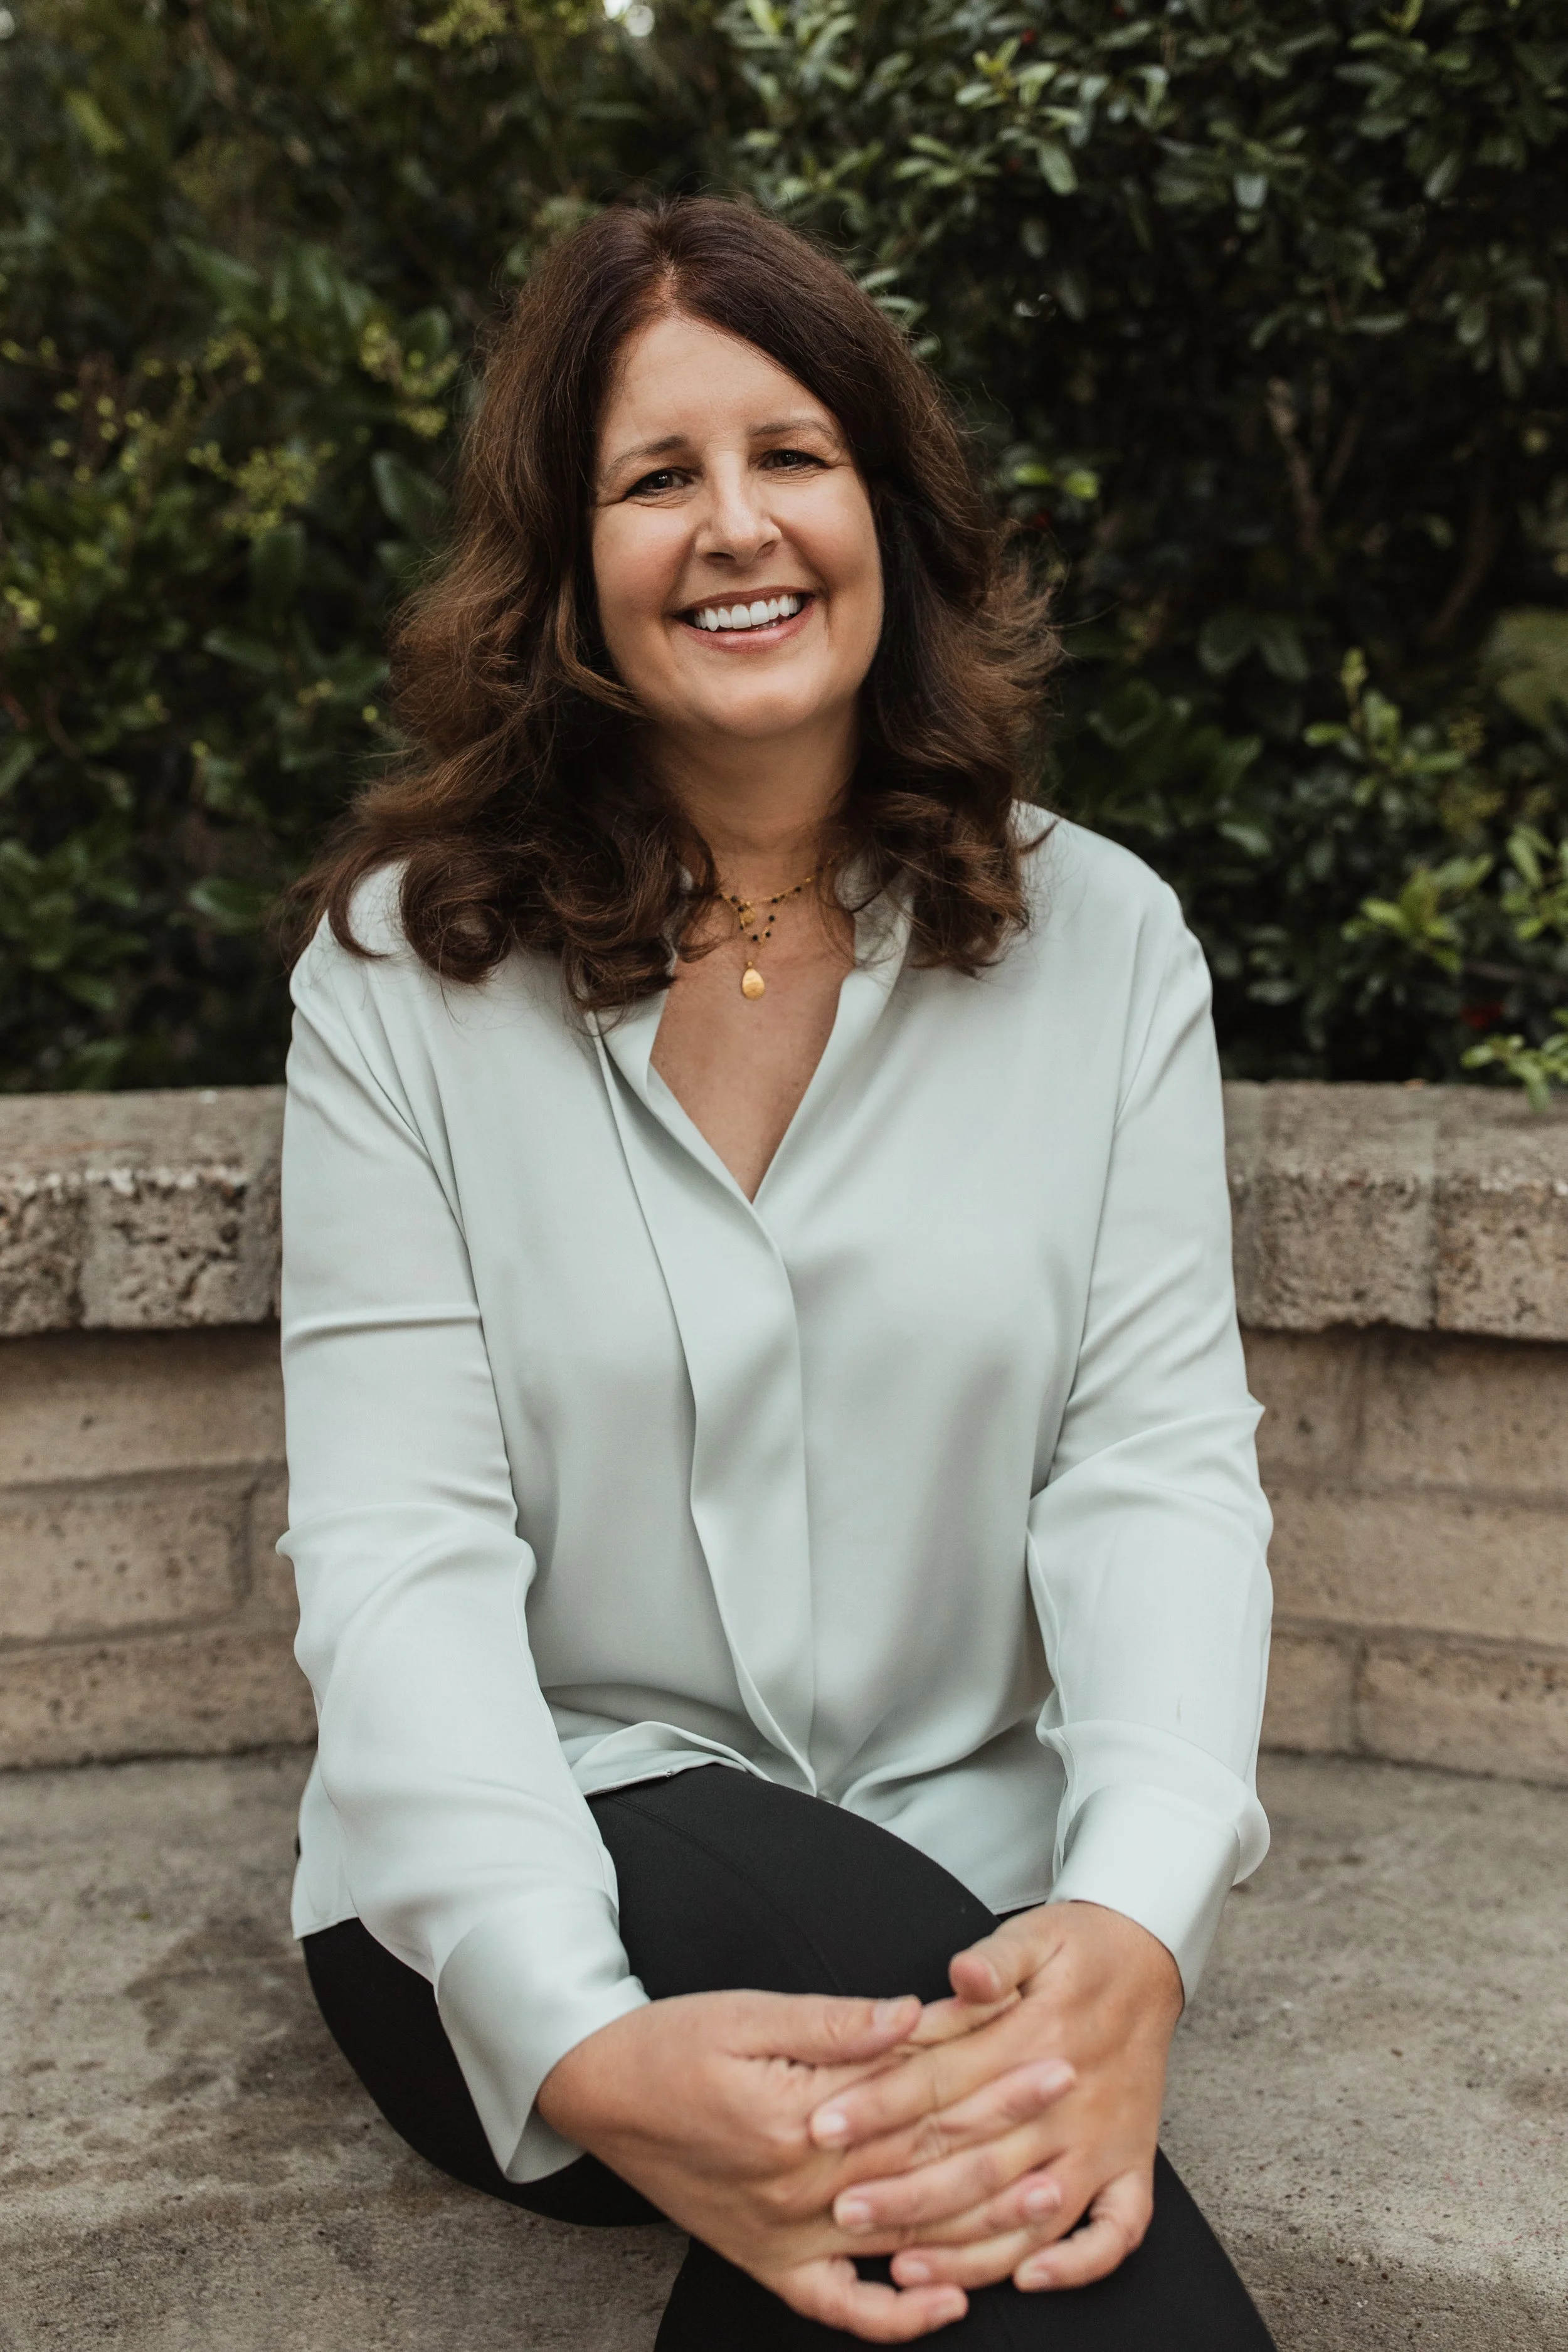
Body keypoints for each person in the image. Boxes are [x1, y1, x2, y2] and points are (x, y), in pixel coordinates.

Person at [282, 196, 1278, 2349]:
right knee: (977, 2158)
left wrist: (1135, 1907)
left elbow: (1155, 1476)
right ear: (564, 571)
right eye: (655, 480)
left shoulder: (1101, 945)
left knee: (890, 2192)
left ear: (887, 516)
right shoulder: (401, 980)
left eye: (790, 457)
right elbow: (400, 1556)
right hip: (517, 1853)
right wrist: (570, 2035)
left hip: (962, 1876)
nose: (734, 528)